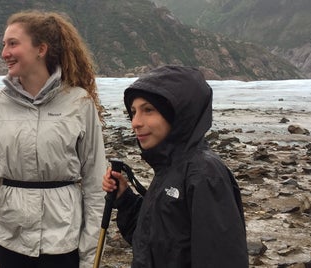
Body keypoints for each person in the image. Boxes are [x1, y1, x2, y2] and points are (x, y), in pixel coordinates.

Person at [0, 10, 106, 268]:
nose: (5, 53)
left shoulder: (79, 103)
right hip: (10, 237)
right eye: (4, 44)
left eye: (13, 43)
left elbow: (95, 184)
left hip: (63, 237)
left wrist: (91, 254)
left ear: (41, 49)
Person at [101, 65, 248, 267]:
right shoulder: (169, 168)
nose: (135, 122)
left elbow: (220, 258)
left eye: (148, 110)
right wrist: (124, 199)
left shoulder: (204, 175)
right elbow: (152, 242)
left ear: (178, 113)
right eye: (133, 112)